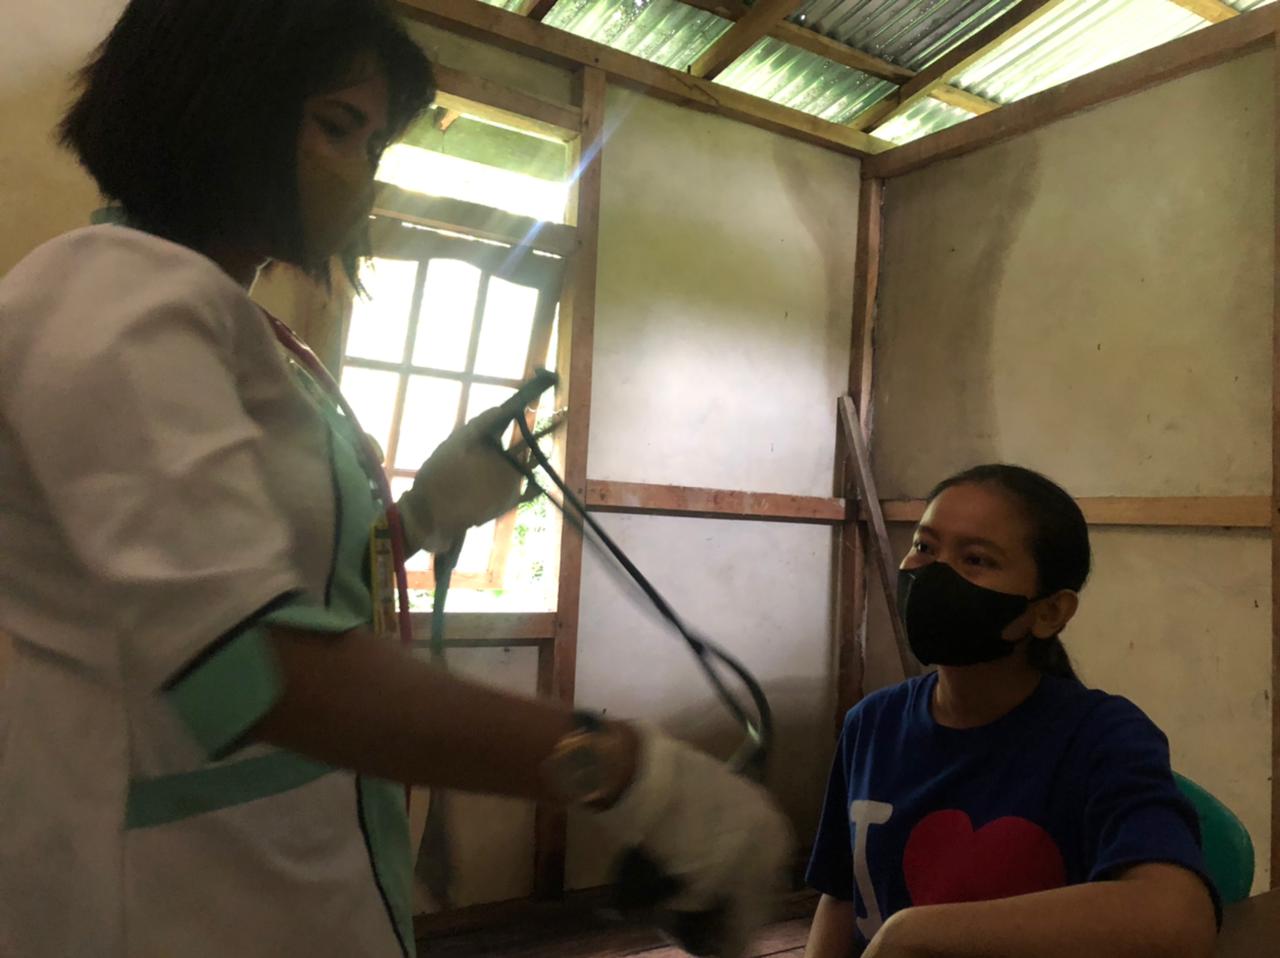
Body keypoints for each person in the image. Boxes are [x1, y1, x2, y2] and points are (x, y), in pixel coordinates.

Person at [0, 2, 791, 956]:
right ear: (214, 107)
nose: (360, 170)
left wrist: (421, 515)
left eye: (374, 144)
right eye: (338, 126)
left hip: (291, 873)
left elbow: (267, 590)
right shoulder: (108, 294)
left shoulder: (248, 333)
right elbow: (253, 666)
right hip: (167, 895)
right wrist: (633, 775)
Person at [803, 465, 1220, 958]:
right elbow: (841, 896)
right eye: (924, 546)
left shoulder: (1102, 738)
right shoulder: (870, 725)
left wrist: (916, 934)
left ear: (1049, 612)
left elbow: (1177, 918)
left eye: (976, 559)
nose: (933, 573)